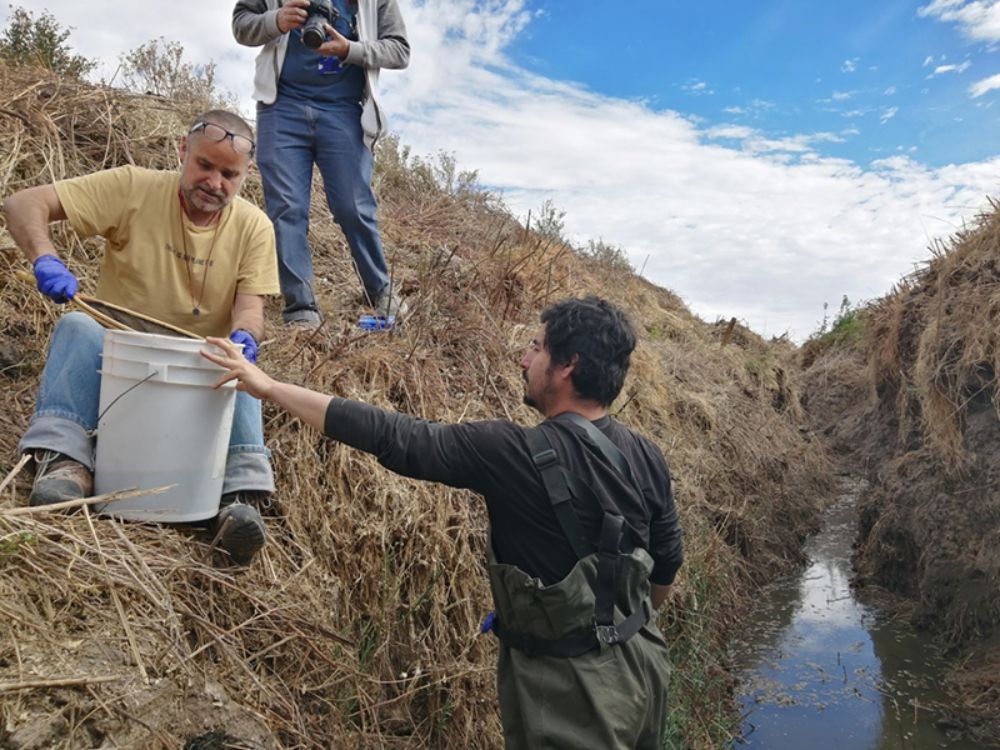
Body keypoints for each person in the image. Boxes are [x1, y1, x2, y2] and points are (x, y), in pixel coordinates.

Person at [202, 296, 683, 747]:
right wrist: (613, 625)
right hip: (644, 666)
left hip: (575, 692)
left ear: (568, 365)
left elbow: (397, 437)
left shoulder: (514, 452)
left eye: (536, 348)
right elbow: (664, 571)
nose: (524, 360)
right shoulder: (646, 456)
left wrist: (268, 387)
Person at [4, 110, 281, 566]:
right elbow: (23, 204)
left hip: (199, 372)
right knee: (77, 326)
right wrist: (45, 258)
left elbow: (250, 309)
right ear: (182, 150)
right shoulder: (134, 187)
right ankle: (63, 462)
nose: (214, 182)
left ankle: (239, 496)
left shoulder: (254, 227)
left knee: (241, 362)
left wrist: (244, 336)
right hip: (119, 356)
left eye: (229, 175)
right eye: (205, 165)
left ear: (246, 175)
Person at [232, 0, 410, 329]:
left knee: (353, 206)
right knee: (287, 208)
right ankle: (300, 308)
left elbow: (400, 50)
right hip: (281, 105)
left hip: (344, 111)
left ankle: (381, 291)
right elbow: (241, 24)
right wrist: (276, 21)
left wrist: (350, 50)